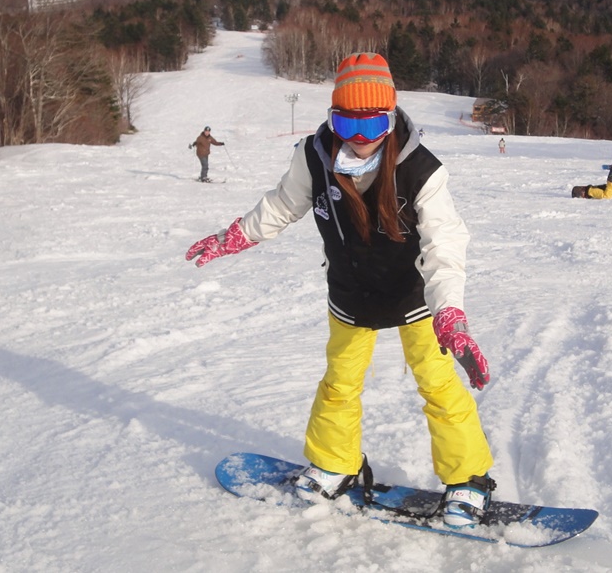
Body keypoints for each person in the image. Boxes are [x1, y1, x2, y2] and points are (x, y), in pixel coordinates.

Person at [184, 52, 495, 529]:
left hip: (415, 296)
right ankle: (335, 463)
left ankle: (468, 481)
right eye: (345, 121)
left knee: (438, 385)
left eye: (371, 126)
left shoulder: (421, 171)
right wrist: (238, 235)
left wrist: (450, 313)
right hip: (350, 293)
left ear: (390, 121)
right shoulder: (314, 156)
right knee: (339, 383)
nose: (357, 138)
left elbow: (445, 245)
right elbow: (284, 203)